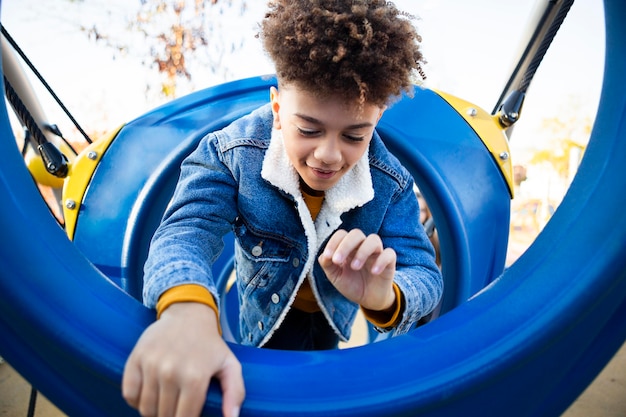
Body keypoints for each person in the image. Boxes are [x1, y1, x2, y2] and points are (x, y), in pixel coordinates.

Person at [122, 1, 443, 417]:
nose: (328, 155)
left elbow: (424, 272)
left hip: (333, 310)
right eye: (308, 129)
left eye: (353, 136)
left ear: (376, 120)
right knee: (265, 392)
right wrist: (186, 310)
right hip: (262, 311)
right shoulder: (231, 154)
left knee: (316, 382)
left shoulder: (390, 182)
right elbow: (186, 231)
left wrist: (387, 298)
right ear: (277, 109)